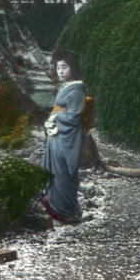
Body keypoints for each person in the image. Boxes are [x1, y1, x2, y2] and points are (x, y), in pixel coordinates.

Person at [39, 50, 90, 223]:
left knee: (64, 173)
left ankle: (68, 212)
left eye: (64, 67)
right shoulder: (66, 87)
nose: (60, 71)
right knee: (56, 172)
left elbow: (73, 118)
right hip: (57, 135)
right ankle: (59, 211)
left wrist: (55, 117)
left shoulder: (76, 90)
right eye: (58, 67)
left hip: (67, 138)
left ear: (73, 68)